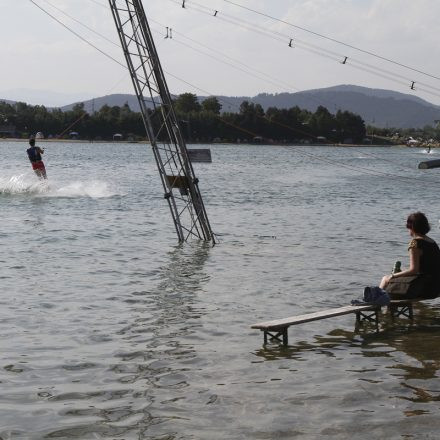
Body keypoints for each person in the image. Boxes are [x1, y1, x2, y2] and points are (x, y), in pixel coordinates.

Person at [380, 212, 440, 299]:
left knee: (385, 279)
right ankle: (387, 308)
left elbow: (414, 270)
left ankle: (376, 302)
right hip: (436, 287)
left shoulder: (415, 243)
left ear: (411, 227)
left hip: (424, 288)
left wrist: (392, 276)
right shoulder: (431, 242)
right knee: (397, 276)